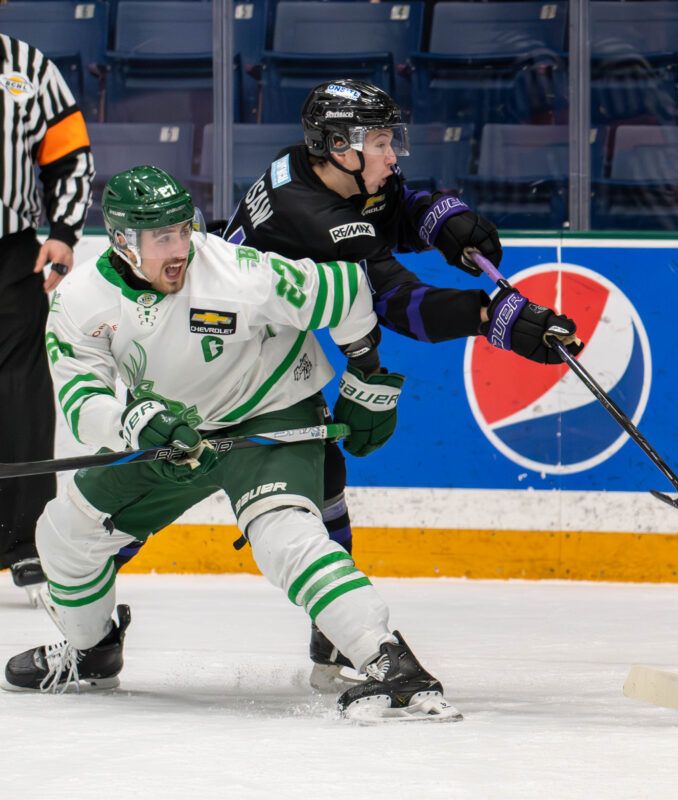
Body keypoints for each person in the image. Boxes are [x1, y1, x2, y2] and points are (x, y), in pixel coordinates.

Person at [1, 166, 459, 721]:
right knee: (64, 531)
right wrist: (134, 421)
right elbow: (80, 398)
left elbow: (346, 290)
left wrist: (364, 374)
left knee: (283, 534)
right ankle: (92, 652)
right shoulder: (80, 301)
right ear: (123, 241)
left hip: (269, 415)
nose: (180, 249)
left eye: (182, 231)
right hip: (172, 433)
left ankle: (391, 661)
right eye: (161, 238)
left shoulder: (239, 273)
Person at [203, 78, 580, 687]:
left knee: (324, 474)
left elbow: (391, 205)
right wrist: (497, 319)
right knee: (157, 487)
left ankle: (333, 631)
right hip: (217, 362)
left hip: (263, 346)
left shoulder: (318, 169)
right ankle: (84, 625)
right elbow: (400, 304)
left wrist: (445, 219)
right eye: (379, 142)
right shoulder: (312, 214)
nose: (392, 154)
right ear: (337, 146)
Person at [0, 34, 94, 594]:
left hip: (9, 254)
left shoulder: (27, 67)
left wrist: (62, 232)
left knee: (20, 394)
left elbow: (71, 155)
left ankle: (23, 539)